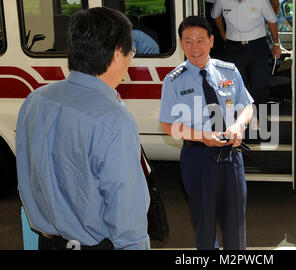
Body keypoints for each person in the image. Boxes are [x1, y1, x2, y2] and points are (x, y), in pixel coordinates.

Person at [15, 7, 150, 250]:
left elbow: (26, 174)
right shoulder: (113, 120)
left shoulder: (36, 99)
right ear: (117, 54)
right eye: (130, 51)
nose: (131, 59)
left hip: (46, 242)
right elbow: (126, 214)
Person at [159, 16, 253, 250]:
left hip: (231, 156)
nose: (194, 47)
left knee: (236, 223)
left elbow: (247, 106)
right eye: (188, 41)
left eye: (200, 40)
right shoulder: (173, 81)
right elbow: (168, 126)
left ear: (211, 41)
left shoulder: (228, 71)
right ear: (181, 44)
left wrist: (239, 126)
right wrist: (203, 137)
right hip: (197, 159)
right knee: (205, 224)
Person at [211, 0, 281, 106]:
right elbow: (215, 15)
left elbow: (272, 20)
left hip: (257, 46)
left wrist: (276, 44)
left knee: (260, 85)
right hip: (233, 48)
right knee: (235, 87)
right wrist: (222, 34)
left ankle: (260, 119)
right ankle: (241, 119)